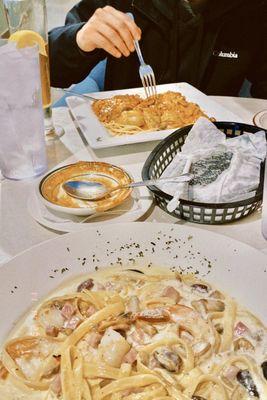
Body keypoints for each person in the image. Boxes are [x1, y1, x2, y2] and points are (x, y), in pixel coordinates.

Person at [49, 0, 267, 98]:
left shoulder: (254, 10)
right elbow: (47, 70)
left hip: (211, 148)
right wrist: (79, 40)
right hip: (120, 144)